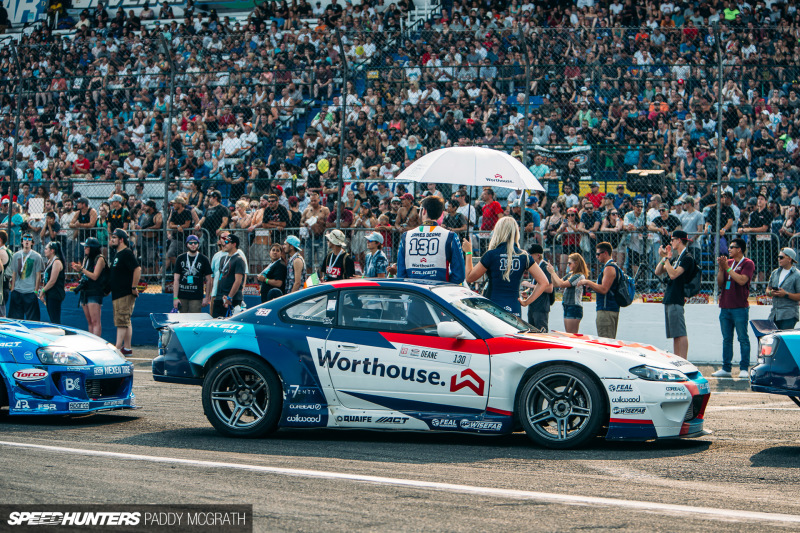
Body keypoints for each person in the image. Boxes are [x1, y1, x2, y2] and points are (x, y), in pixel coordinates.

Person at [396, 196, 465, 283]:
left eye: (420, 210)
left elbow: (401, 275)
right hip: (439, 289)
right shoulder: (450, 236)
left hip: (413, 289)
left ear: (424, 211)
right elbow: (459, 276)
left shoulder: (406, 236)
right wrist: (445, 284)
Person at [713, 238, 754, 378]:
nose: (729, 249)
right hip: (725, 306)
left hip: (739, 307)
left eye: (732, 247)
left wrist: (727, 268)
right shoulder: (728, 263)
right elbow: (720, 283)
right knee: (727, 339)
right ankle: (726, 368)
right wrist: (721, 269)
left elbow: (742, 280)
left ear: (739, 249)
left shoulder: (748, 263)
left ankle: (744, 368)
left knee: (743, 338)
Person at [655, 230, 696, 359]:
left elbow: (673, 274)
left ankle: (683, 359)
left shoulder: (687, 257)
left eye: (673, 240)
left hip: (677, 297)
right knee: (675, 333)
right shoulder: (677, 258)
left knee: (680, 332)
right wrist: (665, 258)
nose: (671, 242)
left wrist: (666, 259)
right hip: (670, 296)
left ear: (679, 240)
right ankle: (677, 358)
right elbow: (658, 271)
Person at [109, 229, 141, 355]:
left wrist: (133, 287)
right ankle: (127, 348)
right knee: (126, 320)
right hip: (118, 293)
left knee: (121, 321)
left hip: (124, 293)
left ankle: (117, 348)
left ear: (121, 240)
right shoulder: (118, 254)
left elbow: (137, 269)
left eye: (114, 237)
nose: (112, 240)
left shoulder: (126, 253)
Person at [578, 242, 620, 339]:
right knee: (608, 340)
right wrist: (592, 285)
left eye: (598, 254)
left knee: (606, 342)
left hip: (606, 310)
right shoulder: (611, 266)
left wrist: (588, 282)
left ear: (605, 253)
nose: (596, 256)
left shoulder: (609, 268)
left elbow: (604, 289)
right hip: (609, 309)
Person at [70, 237, 106, 337]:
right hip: (85, 290)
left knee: (95, 321)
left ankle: (96, 341)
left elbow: (95, 276)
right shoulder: (86, 258)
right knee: (89, 321)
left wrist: (82, 269)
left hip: (94, 291)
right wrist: (79, 270)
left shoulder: (100, 259)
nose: (84, 249)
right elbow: (84, 274)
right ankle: (91, 340)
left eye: (87, 247)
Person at [548, 253, 589, 333]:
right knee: (569, 334)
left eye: (569, 263)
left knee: (571, 335)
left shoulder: (579, 276)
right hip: (567, 305)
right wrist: (551, 273)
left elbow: (562, 284)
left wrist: (553, 272)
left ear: (576, 263)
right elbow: (556, 284)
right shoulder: (571, 274)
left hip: (574, 306)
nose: (568, 265)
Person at [172, 234, 213, 313]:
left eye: (195, 243)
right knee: (182, 318)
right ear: (187, 244)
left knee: (194, 317)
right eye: (190, 243)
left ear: (198, 244)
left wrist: (207, 297)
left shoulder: (204, 259)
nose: (193, 245)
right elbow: (176, 279)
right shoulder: (180, 258)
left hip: (196, 296)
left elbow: (209, 280)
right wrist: (175, 298)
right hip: (182, 295)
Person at [8, 233, 43, 321]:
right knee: (15, 320)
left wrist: (36, 290)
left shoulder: (37, 256)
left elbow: (38, 274)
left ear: (32, 243)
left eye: (29, 239)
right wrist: (12, 289)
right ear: (22, 242)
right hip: (17, 291)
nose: (27, 241)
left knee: (32, 320)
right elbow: (14, 273)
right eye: (25, 239)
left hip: (30, 291)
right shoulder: (16, 255)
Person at [521, 243, 553, 331]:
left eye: (531, 255)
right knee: (532, 332)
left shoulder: (545, 267)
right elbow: (536, 284)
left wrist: (530, 285)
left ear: (538, 255)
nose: (529, 257)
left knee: (541, 332)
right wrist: (528, 291)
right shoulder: (535, 266)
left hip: (541, 307)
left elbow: (550, 288)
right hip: (533, 305)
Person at [766, 248, 800, 330]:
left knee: (784, 337)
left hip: (788, 315)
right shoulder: (775, 273)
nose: (779, 259)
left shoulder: (797, 275)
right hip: (774, 314)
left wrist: (786, 294)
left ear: (789, 259)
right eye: (778, 257)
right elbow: (767, 290)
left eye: (781, 257)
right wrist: (771, 293)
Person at [214, 233, 246, 317]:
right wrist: (218, 295)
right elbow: (220, 278)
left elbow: (238, 281)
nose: (224, 244)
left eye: (227, 242)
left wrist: (229, 297)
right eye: (224, 241)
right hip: (220, 297)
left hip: (232, 298)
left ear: (234, 244)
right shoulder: (223, 258)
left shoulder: (239, 259)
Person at [39, 241, 66, 324]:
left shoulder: (57, 262)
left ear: (52, 251)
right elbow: (46, 278)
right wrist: (44, 292)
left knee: (55, 319)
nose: (44, 251)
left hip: (55, 294)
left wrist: (43, 290)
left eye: (46, 249)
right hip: (50, 293)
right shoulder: (50, 261)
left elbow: (52, 281)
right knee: (52, 317)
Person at [0, 230, 10, 317]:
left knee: (2, 317)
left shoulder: (1, 252)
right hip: (5, 286)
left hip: (1, 289)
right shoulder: (8, 251)